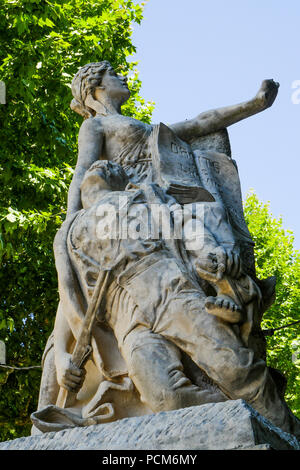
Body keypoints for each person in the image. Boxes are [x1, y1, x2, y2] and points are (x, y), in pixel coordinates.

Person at [33, 61, 300, 438]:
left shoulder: (147, 136)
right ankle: (232, 423)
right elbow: (82, 172)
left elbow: (201, 122)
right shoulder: (96, 126)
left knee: (208, 238)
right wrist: (71, 225)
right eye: (113, 74)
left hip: (159, 214)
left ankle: (274, 424)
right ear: (93, 90)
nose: (121, 77)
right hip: (128, 267)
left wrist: (253, 104)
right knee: (166, 389)